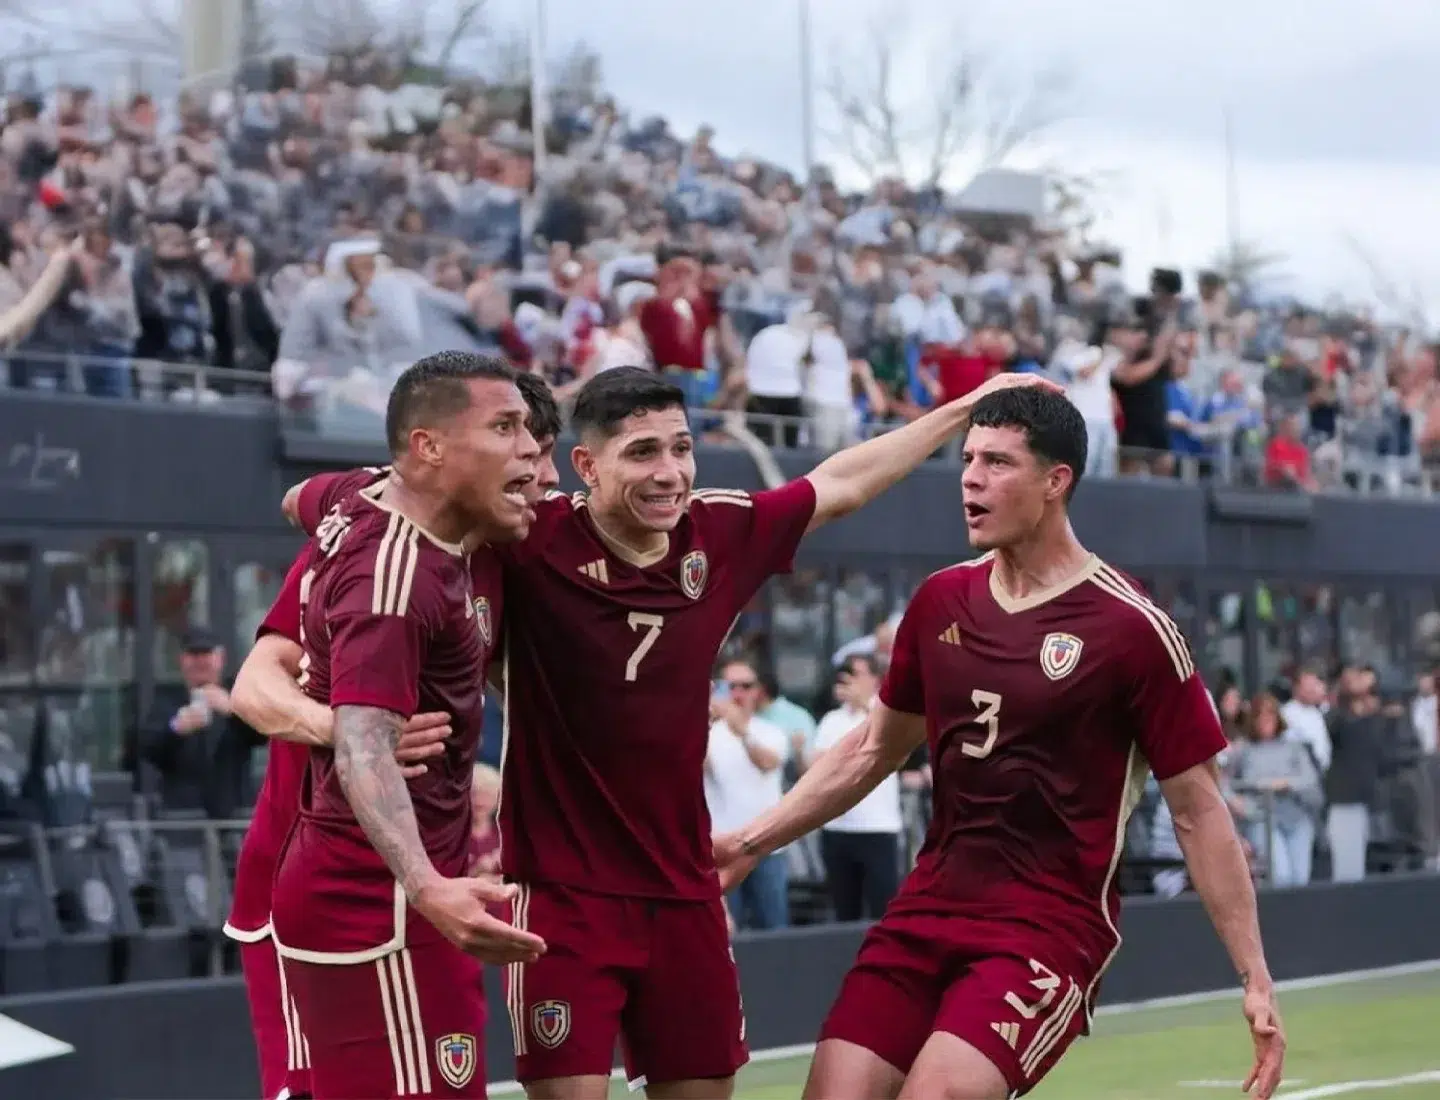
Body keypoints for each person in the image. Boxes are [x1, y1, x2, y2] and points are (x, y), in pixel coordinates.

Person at [484, 366, 1053, 1099]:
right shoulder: (528, 541)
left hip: (685, 889)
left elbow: (840, 483)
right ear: (587, 466)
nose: (670, 473)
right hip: (562, 892)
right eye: (643, 453)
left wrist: (967, 408)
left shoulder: (717, 531)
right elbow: (398, 522)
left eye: (681, 448)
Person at [713, 385, 1286, 1100]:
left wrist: (1254, 975)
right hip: (927, 907)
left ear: (1055, 482)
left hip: (1047, 927)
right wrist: (751, 839)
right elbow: (870, 751)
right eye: (968, 460)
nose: (972, 479)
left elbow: (1199, 813)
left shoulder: (1133, 627)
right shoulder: (939, 600)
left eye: (998, 463)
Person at [227, 370, 563, 1100]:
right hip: (334, 866)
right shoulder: (383, 564)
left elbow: (298, 496)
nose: (543, 474)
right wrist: (348, 727)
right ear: (439, 449)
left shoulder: (452, 538)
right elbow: (253, 686)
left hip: (399, 879)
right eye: (517, 444)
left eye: (541, 451)